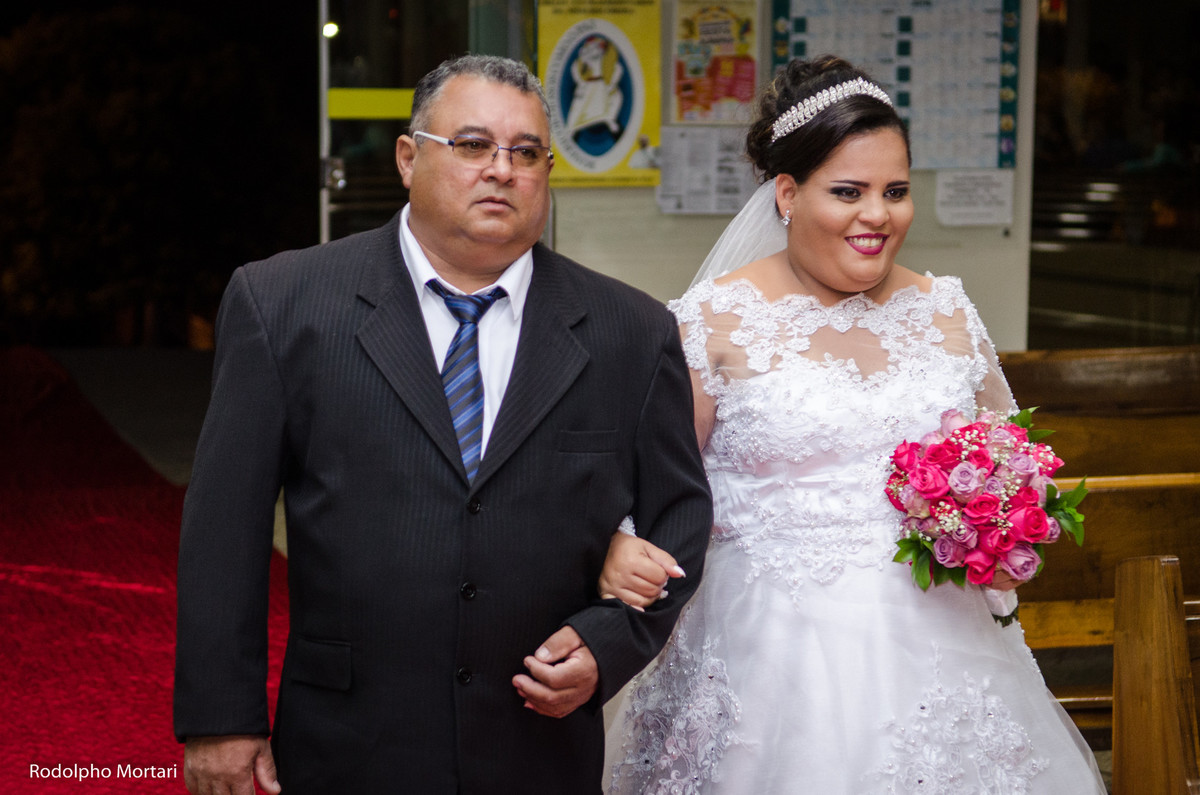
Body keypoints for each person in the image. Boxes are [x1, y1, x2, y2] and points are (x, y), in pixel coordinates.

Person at [173, 54, 712, 794]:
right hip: (348, 740)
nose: (502, 170)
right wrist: (220, 718)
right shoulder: (285, 304)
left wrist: (607, 644)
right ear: (407, 158)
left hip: (536, 743)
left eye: (527, 152)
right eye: (472, 145)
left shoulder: (631, 331)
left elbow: (679, 517)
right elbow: (223, 527)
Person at [599, 56, 1107, 793]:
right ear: (787, 194)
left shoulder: (945, 309)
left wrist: (1001, 526)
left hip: (944, 651)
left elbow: (1005, 454)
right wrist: (618, 541)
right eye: (848, 192)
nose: (878, 215)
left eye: (895, 191)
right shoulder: (716, 320)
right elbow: (647, 486)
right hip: (766, 656)